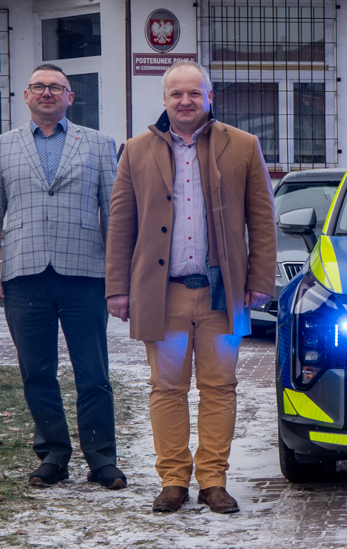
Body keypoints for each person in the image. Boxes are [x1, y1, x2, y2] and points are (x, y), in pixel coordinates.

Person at [106, 61, 276, 515]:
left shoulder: (242, 145)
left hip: (223, 291)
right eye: (176, 94)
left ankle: (214, 480)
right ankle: (173, 480)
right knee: (166, 388)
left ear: (209, 97)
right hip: (162, 293)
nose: (185, 101)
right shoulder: (135, 151)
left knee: (220, 386)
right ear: (164, 99)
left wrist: (260, 279)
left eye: (194, 93)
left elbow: (262, 219)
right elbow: (121, 224)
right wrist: (117, 287)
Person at [0, 63, 123, 489]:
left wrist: (118, 276)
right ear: (26, 95)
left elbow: (115, 214)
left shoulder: (98, 144)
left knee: (93, 373)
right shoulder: (1, 146)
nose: (47, 93)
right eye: (38, 86)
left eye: (56, 87)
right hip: (24, 275)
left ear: (70, 97)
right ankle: (53, 455)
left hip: (85, 274)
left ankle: (101, 459)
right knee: (37, 373)